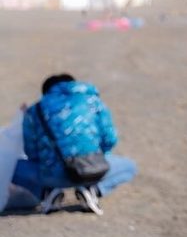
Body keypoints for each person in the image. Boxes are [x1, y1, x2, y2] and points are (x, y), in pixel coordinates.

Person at [12, 74, 137, 215]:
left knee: (7, 166)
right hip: (93, 171)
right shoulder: (93, 101)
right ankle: (92, 190)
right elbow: (110, 139)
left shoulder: (36, 110)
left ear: (46, 92)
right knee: (130, 167)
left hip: (53, 176)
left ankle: (47, 192)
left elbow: (32, 153)